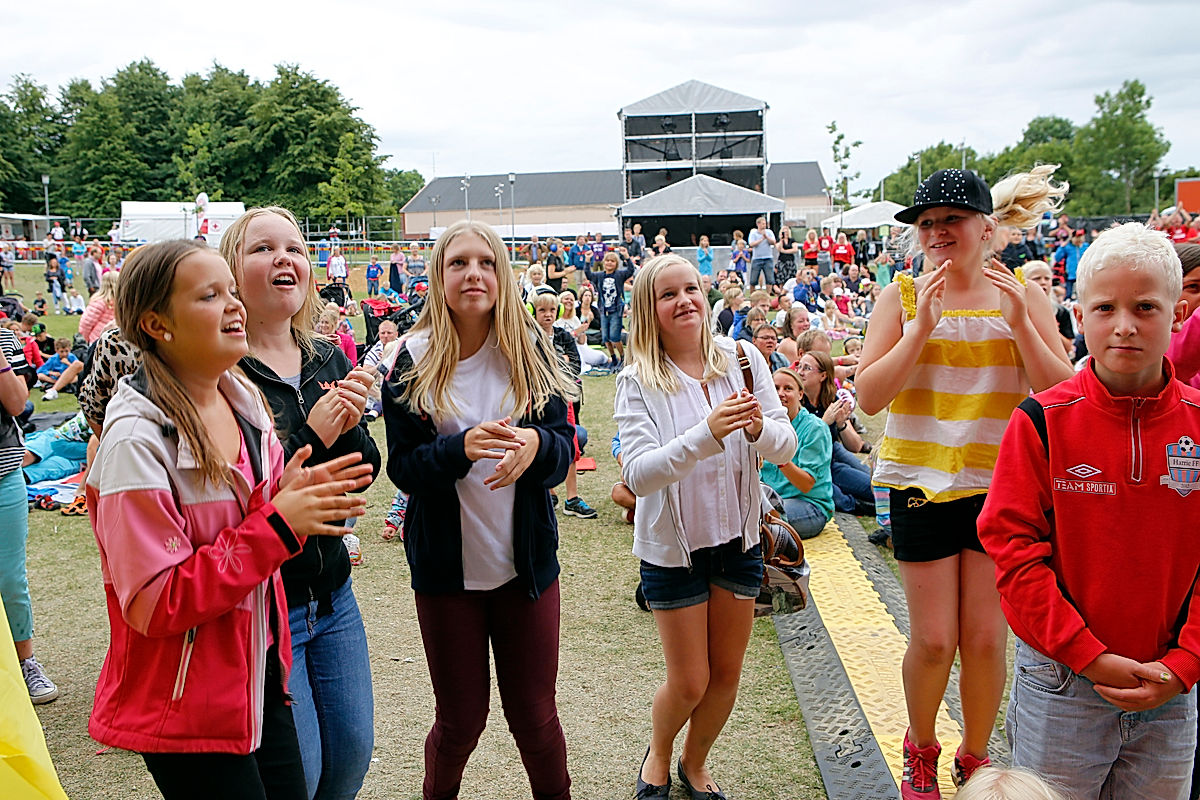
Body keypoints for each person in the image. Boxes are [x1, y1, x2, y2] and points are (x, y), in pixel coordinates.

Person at [85, 239, 371, 800]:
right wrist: (280, 524)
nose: (235, 305)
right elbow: (152, 601)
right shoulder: (135, 443)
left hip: (257, 672)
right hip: (187, 700)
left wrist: (292, 496)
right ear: (156, 324)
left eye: (232, 291)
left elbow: (249, 529)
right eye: (210, 295)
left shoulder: (244, 405)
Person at [855, 167, 1074, 797]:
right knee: (933, 640)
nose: (938, 232)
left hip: (1001, 488)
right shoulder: (899, 296)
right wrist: (921, 327)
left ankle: (976, 755)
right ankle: (920, 745)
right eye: (927, 223)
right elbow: (870, 395)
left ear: (986, 227)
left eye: (951, 219)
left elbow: (1059, 393)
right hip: (920, 482)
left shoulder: (1022, 295)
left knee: (983, 639)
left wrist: (1022, 325)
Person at [978, 223, 1200, 800]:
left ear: (1179, 315)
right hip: (1063, 684)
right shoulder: (1041, 422)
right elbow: (1013, 554)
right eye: (1106, 307)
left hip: (1170, 688)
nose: (1124, 324)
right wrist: (1089, 656)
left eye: (1146, 306)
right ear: (1079, 316)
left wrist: (1185, 663)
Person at [383, 219, 575, 800]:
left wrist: (539, 445)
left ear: (503, 273)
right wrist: (458, 449)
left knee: (536, 722)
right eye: (458, 262)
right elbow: (404, 467)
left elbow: (563, 449)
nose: (473, 273)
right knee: (461, 723)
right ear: (439, 276)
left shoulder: (532, 349)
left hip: (526, 573)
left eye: (486, 262)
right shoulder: (411, 359)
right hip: (448, 577)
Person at [615, 253, 796, 800]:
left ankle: (695, 764)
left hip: (738, 540)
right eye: (667, 294)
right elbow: (638, 474)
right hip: (673, 550)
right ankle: (660, 753)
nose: (684, 301)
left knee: (725, 676)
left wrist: (761, 426)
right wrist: (706, 434)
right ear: (650, 310)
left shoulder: (743, 359)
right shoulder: (637, 379)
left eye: (690, 288)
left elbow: (785, 445)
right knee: (690, 680)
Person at [220, 207, 381, 800]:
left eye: (295, 248)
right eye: (264, 248)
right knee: (301, 776)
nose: (285, 258)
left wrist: (347, 427)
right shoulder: (223, 371)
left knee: (350, 761)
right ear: (233, 272)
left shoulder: (327, 356)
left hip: (334, 595)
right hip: (268, 609)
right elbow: (232, 497)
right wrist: (312, 437)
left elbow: (365, 471)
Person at [532, 292, 597, 519]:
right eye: (542, 310)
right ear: (533, 312)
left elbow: (575, 365)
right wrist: (560, 361)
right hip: (537, 399)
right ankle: (549, 491)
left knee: (571, 445)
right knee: (542, 446)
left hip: (562, 397)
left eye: (552, 310)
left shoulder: (562, 336)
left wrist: (552, 362)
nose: (548, 315)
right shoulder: (528, 337)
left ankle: (572, 498)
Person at [761, 367, 834, 539]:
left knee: (759, 521)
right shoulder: (764, 424)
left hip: (809, 505)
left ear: (800, 394)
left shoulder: (815, 428)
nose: (780, 394)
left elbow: (806, 484)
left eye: (788, 388)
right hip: (770, 499)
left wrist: (780, 458)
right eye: (775, 388)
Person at [584, 250, 635, 369]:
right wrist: (587, 260)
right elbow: (589, 274)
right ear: (604, 262)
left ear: (616, 263)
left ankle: (623, 357)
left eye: (612, 261)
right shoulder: (600, 276)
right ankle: (613, 358)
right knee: (606, 338)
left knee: (615, 337)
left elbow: (630, 270)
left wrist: (627, 257)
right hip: (604, 310)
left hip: (615, 310)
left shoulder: (619, 275)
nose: (609, 263)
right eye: (607, 261)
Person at [78, 271, 119, 343]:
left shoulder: (98, 302)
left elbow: (86, 323)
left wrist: (85, 339)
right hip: (106, 339)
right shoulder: (120, 302)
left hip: (99, 339)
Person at [747, 216, 777, 290]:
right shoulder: (753, 233)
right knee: (753, 279)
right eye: (763, 224)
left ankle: (768, 295)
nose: (764, 225)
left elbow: (773, 242)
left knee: (769, 279)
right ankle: (752, 294)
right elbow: (751, 244)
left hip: (768, 258)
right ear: (758, 224)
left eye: (765, 224)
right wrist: (761, 239)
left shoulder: (769, 232)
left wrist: (766, 237)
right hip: (757, 258)